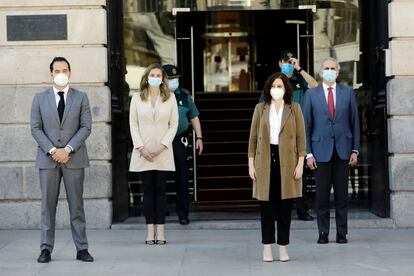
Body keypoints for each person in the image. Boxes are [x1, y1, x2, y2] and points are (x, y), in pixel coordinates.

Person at [30, 57, 94, 263]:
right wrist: (52, 150)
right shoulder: (39, 98)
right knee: (47, 206)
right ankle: (45, 249)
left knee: (76, 206)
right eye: (57, 70)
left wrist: (67, 149)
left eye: (65, 70)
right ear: (51, 73)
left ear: (70, 73)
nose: (61, 73)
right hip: (48, 161)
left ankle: (82, 248)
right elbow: (35, 128)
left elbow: (86, 126)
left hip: (73, 159)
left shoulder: (81, 97)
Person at [248, 72, 306, 262]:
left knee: (284, 208)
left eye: (280, 86)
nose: (277, 89)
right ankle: (267, 248)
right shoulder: (260, 108)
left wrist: (300, 164)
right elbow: (253, 139)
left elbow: (301, 139)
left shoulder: (294, 108)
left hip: (287, 161)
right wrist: (251, 164)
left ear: (286, 89)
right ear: (268, 88)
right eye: (274, 86)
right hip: (265, 159)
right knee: (266, 207)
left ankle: (283, 247)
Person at [302, 57, 360, 244]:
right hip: (320, 152)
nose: (329, 71)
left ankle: (342, 233)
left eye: (332, 68)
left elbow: (355, 124)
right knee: (322, 196)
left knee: (342, 196)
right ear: (320, 72)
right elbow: (306, 126)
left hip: (343, 151)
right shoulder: (311, 95)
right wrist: (308, 153)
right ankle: (323, 233)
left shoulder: (348, 93)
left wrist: (355, 150)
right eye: (326, 68)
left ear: (338, 71)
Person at [260, 50, 318, 221]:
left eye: (290, 61)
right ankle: (278, 210)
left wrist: (299, 69)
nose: (288, 64)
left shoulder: (299, 80)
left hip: (297, 132)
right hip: (277, 134)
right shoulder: (273, 83)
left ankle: (302, 210)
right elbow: (262, 107)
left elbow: (315, 86)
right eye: (285, 61)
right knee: (277, 174)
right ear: (279, 63)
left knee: (300, 173)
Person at [129, 63, 178, 245]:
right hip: (143, 152)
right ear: (146, 77)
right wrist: (141, 147)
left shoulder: (170, 98)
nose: (155, 78)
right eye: (152, 75)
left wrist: (162, 146)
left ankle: (161, 230)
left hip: (162, 152)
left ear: (163, 79)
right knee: (147, 192)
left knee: (161, 191)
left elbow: (173, 125)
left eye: (158, 75)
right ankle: (150, 231)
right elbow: (133, 124)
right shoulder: (136, 98)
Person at [162, 64, 203, 225]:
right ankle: (161, 211)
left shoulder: (184, 96)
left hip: (179, 141)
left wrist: (199, 137)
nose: (174, 81)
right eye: (170, 78)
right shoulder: (157, 96)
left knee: (182, 177)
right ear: (163, 80)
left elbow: (194, 117)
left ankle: (183, 213)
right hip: (161, 142)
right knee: (161, 177)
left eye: (176, 78)